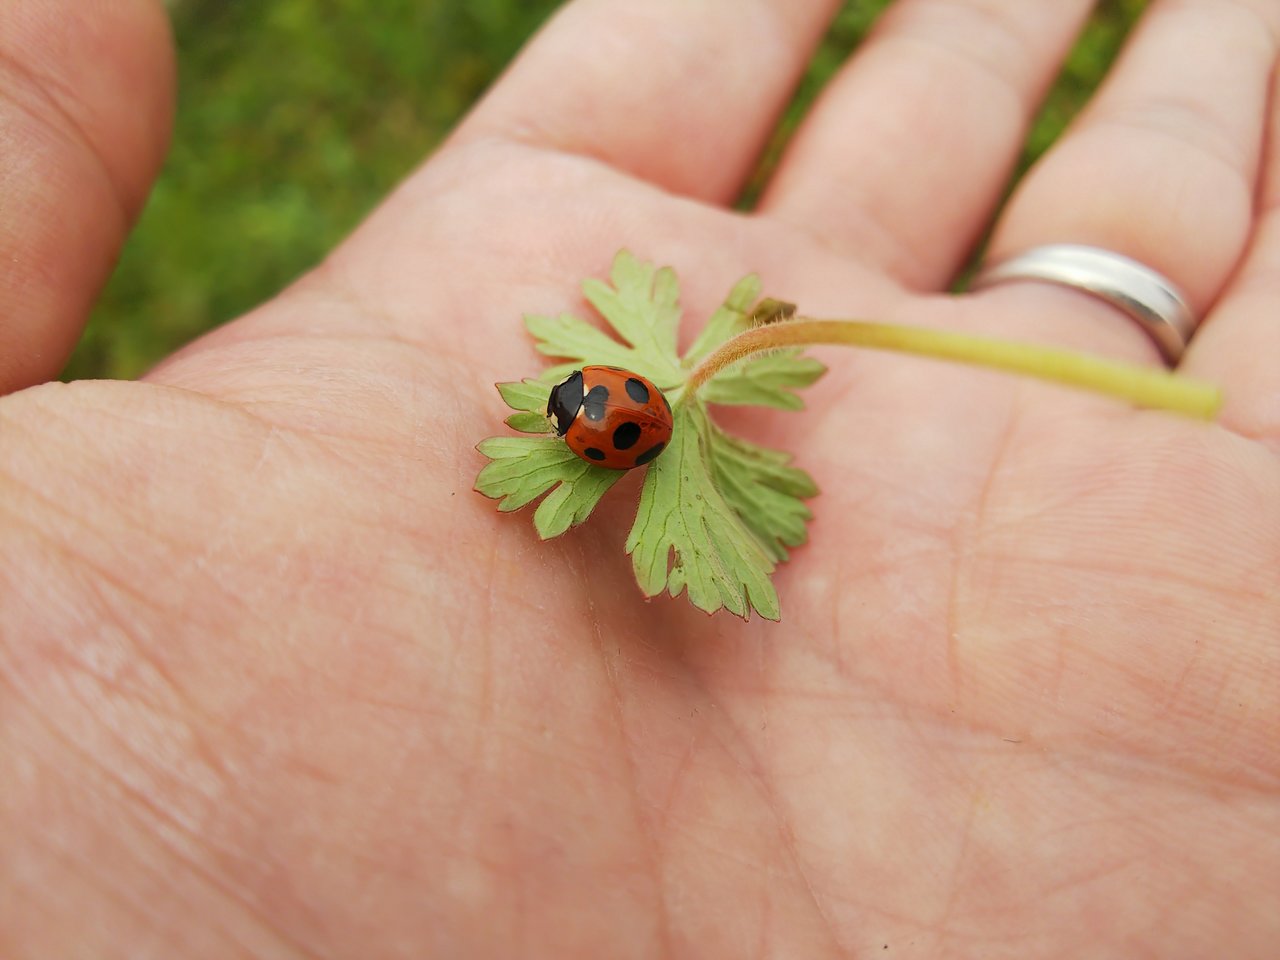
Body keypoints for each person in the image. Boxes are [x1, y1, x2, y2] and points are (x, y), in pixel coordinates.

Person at [2, 1, 1277, 956]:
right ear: (595, 411)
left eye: (594, 415)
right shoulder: (603, 410)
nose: (584, 418)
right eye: (591, 416)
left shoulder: (623, 406)